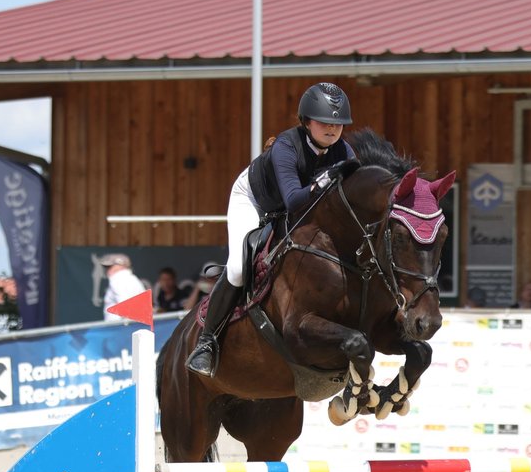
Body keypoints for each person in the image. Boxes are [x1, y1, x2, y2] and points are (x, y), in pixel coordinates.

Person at [187, 82, 357, 377]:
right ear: (306, 121)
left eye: (338, 123)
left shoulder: (344, 151)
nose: (332, 129)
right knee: (240, 269)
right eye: (324, 122)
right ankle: (207, 343)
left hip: (300, 208)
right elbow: (292, 200)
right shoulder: (286, 146)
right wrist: (327, 178)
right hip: (254, 199)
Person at [100, 253, 146, 320]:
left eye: (110, 267)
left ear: (121, 266)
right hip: (133, 325)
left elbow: (126, 307)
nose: (108, 270)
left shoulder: (118, 279)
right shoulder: (133, 279)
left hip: (120, 327)